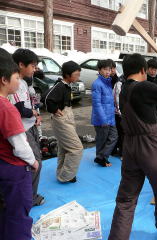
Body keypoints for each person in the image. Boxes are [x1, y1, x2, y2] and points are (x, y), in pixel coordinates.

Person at [108, 54, 157, 240]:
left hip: (130, 147)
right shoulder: (142, 88)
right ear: (143, 70)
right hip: (150, 146)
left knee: (126, 198)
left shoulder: (123, 88)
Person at [0, 48, 39, 240]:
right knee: (19, 213)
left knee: (6, 211)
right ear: (4, 80)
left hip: (3, 164)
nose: (19, 82)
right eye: (16, 77)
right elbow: (20, 144)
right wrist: (33, 161)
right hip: (14, 169)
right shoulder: (6, 107)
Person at [8, 48, 44, 206]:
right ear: (21, 65)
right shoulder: (16, 83)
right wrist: (33, 112)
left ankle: (28, 194)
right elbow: (19, 109)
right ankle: (30, 197)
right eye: (33, 66)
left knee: (33, 160)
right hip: (21, 130)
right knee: (35, 161)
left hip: (30, 126)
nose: (35, 69)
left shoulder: (24, 82)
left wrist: (35, 114)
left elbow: (29, 104)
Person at [43, 61, 83, 183]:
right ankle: (66, 176)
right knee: (76, 148)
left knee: (64, 147)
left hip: (67, 117)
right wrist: (54, 110)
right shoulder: (60, 85)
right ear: (67, 75)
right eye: (76, 75)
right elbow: (46, 98)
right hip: (62, 120)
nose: (78, 77)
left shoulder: (66, 85)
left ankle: (62, 172)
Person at [91, 59, 118, 167]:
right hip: (102, 119)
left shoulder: (108, 82)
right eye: (105, 69)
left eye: (109, 69)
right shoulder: (97, 84)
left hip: (110, 117)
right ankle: (102, 158)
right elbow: (97, 104)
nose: (108, 72)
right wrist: (103, 120)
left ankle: (101, 157)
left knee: (114, 136)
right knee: (102, 140)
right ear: (99, 70)